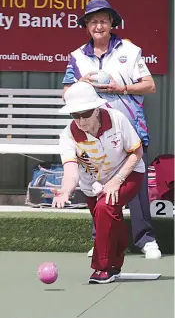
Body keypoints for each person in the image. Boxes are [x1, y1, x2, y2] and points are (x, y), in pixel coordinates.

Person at [62, 0, 161, 259]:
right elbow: (65, 94)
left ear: (112, 23)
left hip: (129, 128)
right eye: (93, 21)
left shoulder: (131, 51)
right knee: (97, 188)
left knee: (137, 187)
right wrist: (80, 84)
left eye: (103, 20)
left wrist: (122, 88)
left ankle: (146, 240)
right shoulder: (76, 57)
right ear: (86, 26)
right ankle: (101, 240)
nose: (98, 25)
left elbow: (150, 85)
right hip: (94, 133)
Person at [52, 81, 145, 284]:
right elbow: (71, 170)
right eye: (75, 115)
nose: (81, 120)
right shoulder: (68, 136)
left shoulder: (117, 119)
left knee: (105, 208)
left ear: (96, 109)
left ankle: (102, 269)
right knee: (109, 217)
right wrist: (66, 191)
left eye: (85, 113)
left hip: (128, 172)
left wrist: (117, 180)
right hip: (92, 184)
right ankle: (115, 264)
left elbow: (137, 152)